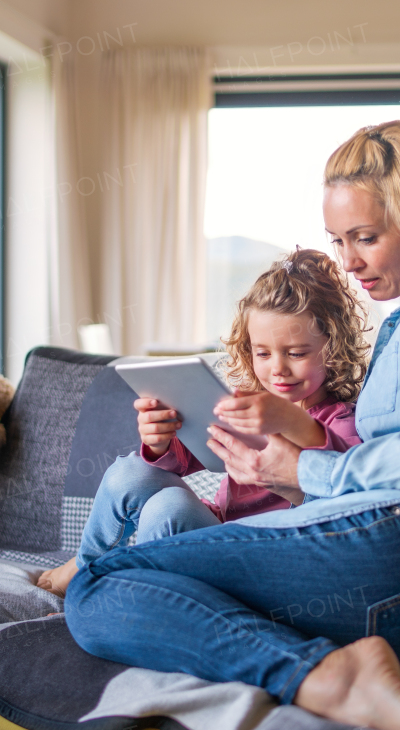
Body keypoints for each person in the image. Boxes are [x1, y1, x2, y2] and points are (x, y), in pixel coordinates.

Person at [62, 120, 400, 730]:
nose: (348, 261)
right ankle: (330, 672)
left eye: (365, 238)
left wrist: (306, 470)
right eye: (338, 240)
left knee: (99, 582)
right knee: (108, 585)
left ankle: (325, 679)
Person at [38, 248, 368, 596]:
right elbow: (183, 460)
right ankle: (84, 565)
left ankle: (142, 600)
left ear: (333, 347)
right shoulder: (244, 403)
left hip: (263, 554)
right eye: (263, 353)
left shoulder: (341, 422)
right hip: (215, 526)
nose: (278, 369)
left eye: (297, 353)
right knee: (130, 472)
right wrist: (160, 441)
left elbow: (347, 500)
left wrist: (294, 427)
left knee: (168, 508)